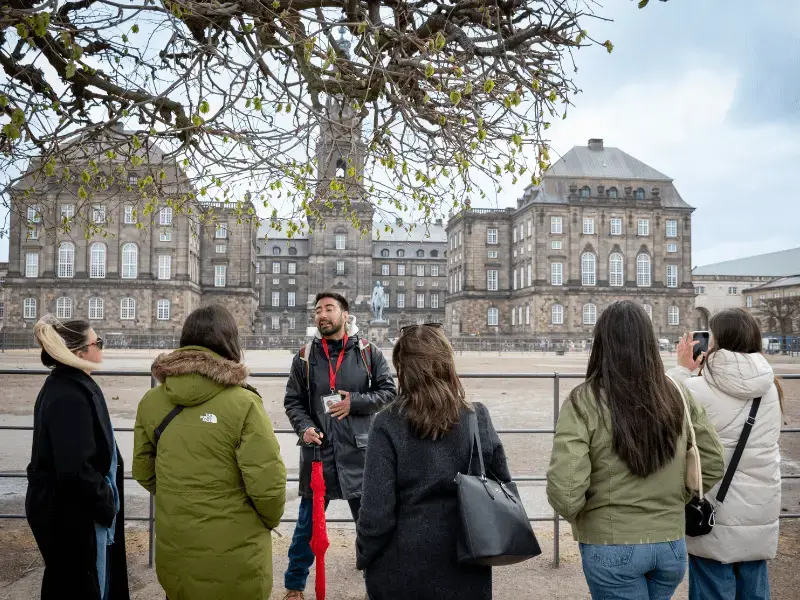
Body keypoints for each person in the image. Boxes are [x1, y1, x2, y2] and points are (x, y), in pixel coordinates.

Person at [547, 300, 725, 600]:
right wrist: (675, 500)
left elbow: (565, 491)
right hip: (670, 545)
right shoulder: (677, 394)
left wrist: (591, 518)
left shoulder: (584, 400)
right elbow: (713, 462)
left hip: (611, 544)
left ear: (601, 342)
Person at [132, 304, 286, 599]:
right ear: (230, 342)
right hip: (236, 551)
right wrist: (265, 520)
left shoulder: (151, 401)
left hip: (176, 543)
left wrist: (178, 495)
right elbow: (269, 484)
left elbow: (142, 469)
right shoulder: (244, 403)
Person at [356, 323, 511, 600]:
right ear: (446, 363)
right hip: (468, 553)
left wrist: (365, 555)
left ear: (403, 368)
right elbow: (502, 485)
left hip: (401, 562)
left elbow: (376, 513)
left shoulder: (387, 423)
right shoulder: (477, 417)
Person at [283, 292, 396, 600]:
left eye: (329, 309)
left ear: (345, 315)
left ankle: (382, 583)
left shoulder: (368, 352)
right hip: (319, 452)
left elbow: (389, 391)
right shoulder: (305, 355)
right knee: (307, 526)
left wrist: (355, 402)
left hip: (360, 453)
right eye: (318, 310)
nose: (323, 314)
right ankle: (294, 587)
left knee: (370, 524)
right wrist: (304, 427)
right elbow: (293, 401)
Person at [669, 309, 783, 600]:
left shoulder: (697, 387)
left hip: (715, 505)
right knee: (754, 583)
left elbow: (665, 408)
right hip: (760, 505)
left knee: (711, 584)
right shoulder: (771, 387)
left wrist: (684, 369)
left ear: (717, 342)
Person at [25, 316, 130, 600]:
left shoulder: (69, 385)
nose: (102, 348)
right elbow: (75, 469)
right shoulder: (68, 396)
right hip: (75, 519)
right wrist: (105, 503)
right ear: (79, 352)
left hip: (75, 513)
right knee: (81, 585)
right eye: (98, 343)